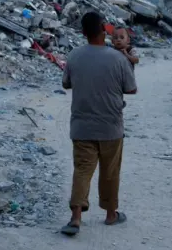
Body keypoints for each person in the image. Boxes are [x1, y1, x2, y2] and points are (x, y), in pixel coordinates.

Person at [60, 12, 137, 236]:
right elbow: (131, 89)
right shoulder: (118, 58)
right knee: (110, 171)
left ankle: (75, 218)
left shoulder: (74, 56)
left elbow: (66, 84)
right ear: (104, 29)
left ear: (83, 32)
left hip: (82, 126)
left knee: (82, 170)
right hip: (111, 126)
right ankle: (111, 214)